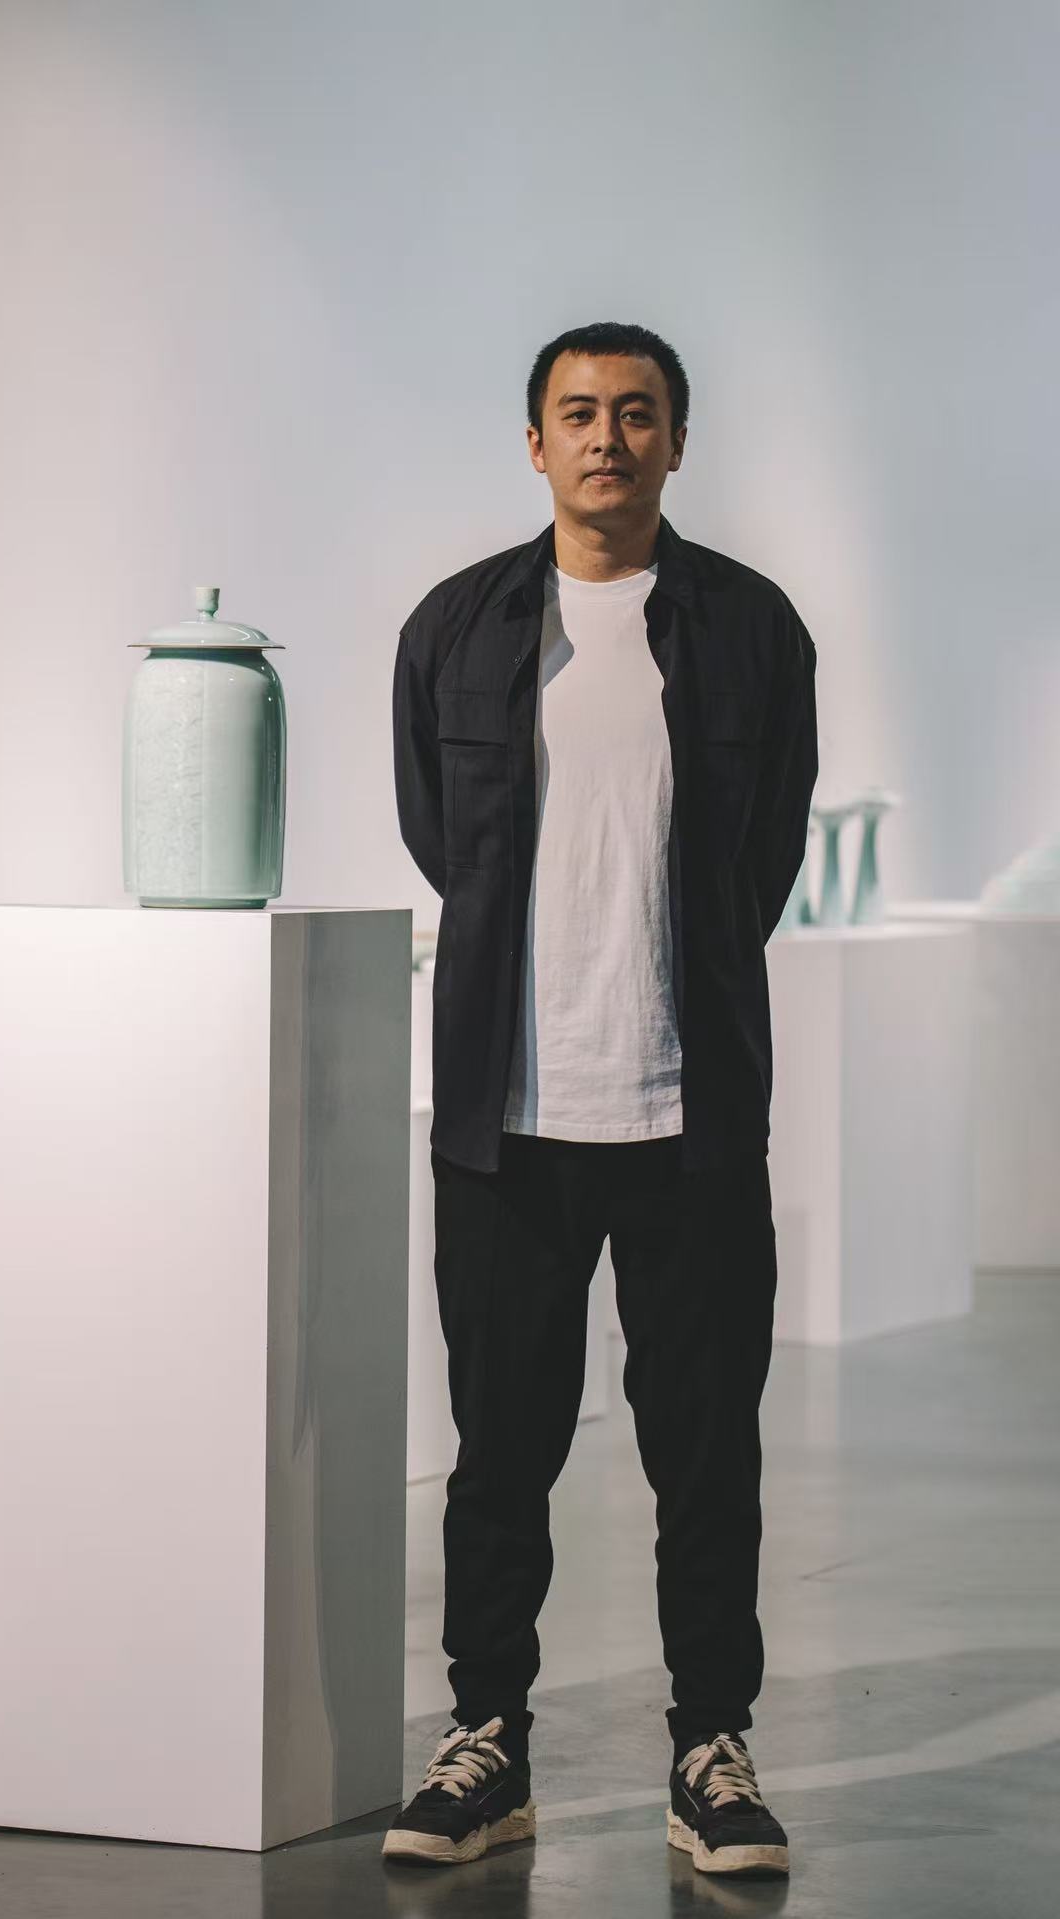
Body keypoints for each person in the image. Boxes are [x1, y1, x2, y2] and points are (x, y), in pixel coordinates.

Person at [382, 321, 818, 1877]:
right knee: (500, 1452)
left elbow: (764, 854)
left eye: (637, 413)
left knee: (705, 1452)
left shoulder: (752, 630)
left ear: (677, 443)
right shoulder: (456, 629)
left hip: (691, 1116)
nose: (607, 438)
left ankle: (713, 1751)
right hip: (507, 1119)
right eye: (578, 412)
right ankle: (486, 1743)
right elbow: (442, 839)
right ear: (536, 442)